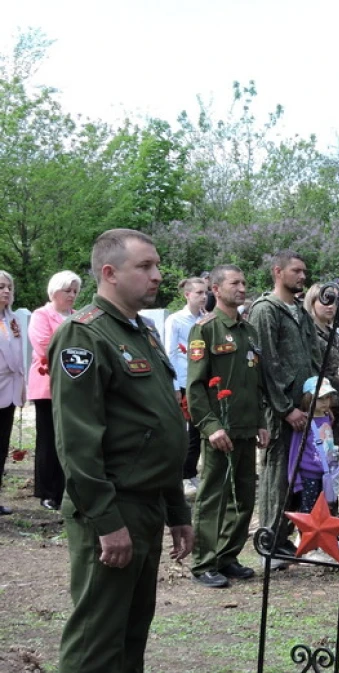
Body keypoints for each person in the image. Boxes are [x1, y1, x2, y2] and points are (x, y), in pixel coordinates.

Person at [51, 228, 194, 672]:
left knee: (131, 636)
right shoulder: (84, 336)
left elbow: (160, 429)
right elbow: (77, 442)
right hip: (114, 506)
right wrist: (107, 522)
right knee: (96, 642)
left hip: (148, 503)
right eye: (145, 266)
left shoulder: (142, 331)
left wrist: (177, 511)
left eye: (157, 265)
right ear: (110, 273)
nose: (157, 275)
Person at [186, 264, 268, 588]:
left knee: (244, 497)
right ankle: (204, 562)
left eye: (244, 282)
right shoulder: (205, 329)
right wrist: (210, 426)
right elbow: (195, 387)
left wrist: (261, 421)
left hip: (247, 427)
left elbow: (255, 381)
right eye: (235, 283)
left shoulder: (248, 330)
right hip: (220, 429)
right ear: (216, 290)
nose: (242, 288)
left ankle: (227, 556)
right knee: (213, 497)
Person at [247, 251, 318, 561]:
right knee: (277, 476)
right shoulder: (265, 310)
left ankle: (284, 537)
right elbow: (266, 364)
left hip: (305, 406)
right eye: (296, 271)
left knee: (297, 474)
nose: (302, 276)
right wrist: (286, 409)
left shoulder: (299, 310)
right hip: (281, 412)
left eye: (304, 271)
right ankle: (269, 542)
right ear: (278, 271)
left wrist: (318, 396)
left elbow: (313, 356)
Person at [29, 269, 81, 511]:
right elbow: (44, 346)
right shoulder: (41, 315)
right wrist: (75, 355)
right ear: (54, 291)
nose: (72, 295)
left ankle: (64, 488)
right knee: (49, 439)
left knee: (69, 439)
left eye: (75, 291)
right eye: (67, 290)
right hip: (48, 384)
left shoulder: (78, 316)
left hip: (74, 385)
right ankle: (47, 491)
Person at [164, 277, 208, 497]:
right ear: (187, 295)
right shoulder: (176, 320)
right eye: (199, 292)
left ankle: (191, 472)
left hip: (203, 381)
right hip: (183, 382)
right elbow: (170, 353)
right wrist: (174, 386)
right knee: (189, 432)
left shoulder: (206, 319)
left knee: (200, 430)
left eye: (205, 292)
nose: (203, 297)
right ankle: (184, 475)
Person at [305, 285, 339, 461]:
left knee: (334, 461)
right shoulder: (309, 334)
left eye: (334, 302)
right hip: (321, 409)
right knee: (319, 461)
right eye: (325, 301)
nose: (330, 306)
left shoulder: (336, 335)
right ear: (312, 302)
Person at [287, 377, 339, 517]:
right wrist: (295, 479)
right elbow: (294, 452)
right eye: (320, 398)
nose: (325, 402)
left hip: (326, 474)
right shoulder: (304, 422)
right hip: (309, 476)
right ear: (309, 398)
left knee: (325, 510)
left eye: (328, 397)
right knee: (308, 513)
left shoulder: (328, 417)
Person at [0, 271, 26, 516]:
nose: (6, 291)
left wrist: (23, 385)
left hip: (10, 390)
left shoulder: (13, 319)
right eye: (0, 287)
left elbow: (18, 355)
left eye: (9, 287)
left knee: (1, 447)